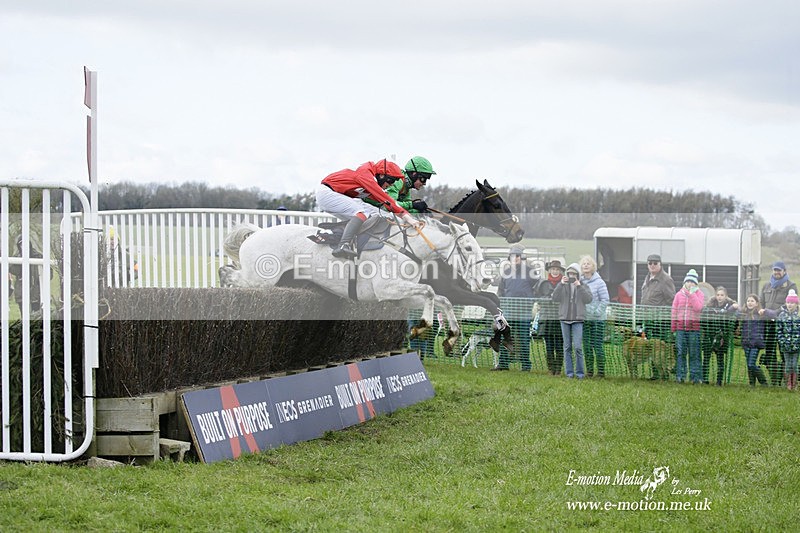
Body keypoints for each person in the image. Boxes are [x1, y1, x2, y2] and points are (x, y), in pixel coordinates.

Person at [316, 159, 420, 259]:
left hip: (339, 194)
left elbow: (386, 203)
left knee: (382, 214)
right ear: (382, 175)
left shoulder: (372, 175)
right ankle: (343, 245)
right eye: (391, 180)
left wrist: (406, 216)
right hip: (327, 193)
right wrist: (407, 217)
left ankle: (344, 235)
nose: (391, 184)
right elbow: (387, 200)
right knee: (362, 213)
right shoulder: (366, 175)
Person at [496, 245, 537, 371]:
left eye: (518, 256)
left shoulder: (530, 272)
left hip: (524, 312)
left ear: (522, 258)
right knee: (505, 337)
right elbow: (501, 291)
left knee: (524, 340)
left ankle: (526, 365)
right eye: (513, 256)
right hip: (508, 311)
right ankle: (503, 364)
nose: (515, 259)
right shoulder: (506, 273)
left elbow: (538, 286)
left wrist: (532, 300)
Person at [552, 262, 592, 379]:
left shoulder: (583, 285)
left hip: (578, 319)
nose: (571, 276)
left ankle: (580, 373)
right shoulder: (562, 285)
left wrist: (579, 286)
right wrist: (560, 284)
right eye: (569, 274)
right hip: (564, 319)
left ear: (578, 275)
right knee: (567, 347)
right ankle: (569, 373)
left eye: (574, 274)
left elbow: (588, 299)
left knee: (578, 347)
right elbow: (554, 298)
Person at [760, 261, 797, 386]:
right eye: (775, 270)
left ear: (784, 271)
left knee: (784, 352)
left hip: (784, 325)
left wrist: (773, 313)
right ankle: (775, 380)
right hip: (768, 325)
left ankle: (788, 381)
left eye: (779, 270)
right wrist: (762, 311)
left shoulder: (791, 286)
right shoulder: (766, 285)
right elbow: (761, 303)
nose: (777, 272)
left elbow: (790, 305)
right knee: (770, 352)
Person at [640, 254, 676, 379]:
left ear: (660, 264)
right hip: (648, 319)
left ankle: (664, 374)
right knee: (651, 347)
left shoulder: (666, 279)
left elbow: (672, 300)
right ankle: (655, 374)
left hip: (660, 321)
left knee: (660, 348)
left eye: (655, 263)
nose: (652, 265)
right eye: (650, 263)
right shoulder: (647, 278)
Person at [366, 156, 436, 214]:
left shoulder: (407, 187)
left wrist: (418, 211)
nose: (424, 183)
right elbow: (388, 205)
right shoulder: (398, 181)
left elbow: (404, 209)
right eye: (423, 179)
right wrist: (412, 205)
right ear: (414, 174)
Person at [671, 269, 705, 383]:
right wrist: (674, 328)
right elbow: (674, 312)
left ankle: (695, 377)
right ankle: (680, 375)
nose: (690, 284)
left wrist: (692, 295)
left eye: (693, 282)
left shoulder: (699, 294)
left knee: (694, 353)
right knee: (680, 353)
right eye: (688, 281)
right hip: (680, 329)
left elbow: (698, 308)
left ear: (696, 284)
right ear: (685, 282)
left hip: (694, 329)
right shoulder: (678, 295)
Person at [700, 286, 739, 386]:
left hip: (722, 336)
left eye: (722, 295)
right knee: (706, 358)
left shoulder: (730, 306)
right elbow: (703, 319)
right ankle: (705, 379)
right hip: (709, 334)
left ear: (726, 296)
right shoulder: (710, 306)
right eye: (718, 295)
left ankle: (719, 380)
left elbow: (735, 321)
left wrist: (730, 331)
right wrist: (706, 330)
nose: (719, 297)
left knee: (720, 359)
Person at [579, 255, 609, 378]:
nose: (586, 265)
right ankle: (589, 371)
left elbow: (605, 300)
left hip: (597, 320)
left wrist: (597, 312)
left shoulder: (599, 282)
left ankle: (601, 372)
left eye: (588, 263)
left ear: (593, 267)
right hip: (585, 320)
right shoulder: (579, 282)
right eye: (583, 264)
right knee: (586, 346)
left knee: (597, 346)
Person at [535, 260, 566, 375]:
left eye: (557, 269)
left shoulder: (565, 283)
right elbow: (538, 299)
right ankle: (550, 368)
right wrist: (550, 299)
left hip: (560, 318)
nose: (555, 271)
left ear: (560, 271)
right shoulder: (543, 283)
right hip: (547, 318)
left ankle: (558, 368)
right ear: (549, 270)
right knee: (549, 346)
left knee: (559, 345)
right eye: (553, 269)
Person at [765, 289, 800, 391]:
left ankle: (795, 383)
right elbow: (779, 329)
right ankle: (789, 383)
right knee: (788, 364)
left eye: (792, 303)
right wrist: (781, 340)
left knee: (794, 364)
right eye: (788, 302)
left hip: (796, 345)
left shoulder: (798, 316)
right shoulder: (782, 315)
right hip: (785, 345)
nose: (790, 305)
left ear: (796, 304)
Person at [739, 294, 768, 387]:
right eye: (748, 301)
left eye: (752, 301)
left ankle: (763, 381)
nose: (750, 303)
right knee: (748, 364)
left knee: (751, 364)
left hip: (756, 343)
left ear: (756, 303)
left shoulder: (759, 314)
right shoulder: (744, 314)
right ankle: (752, 383)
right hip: (746, 342)